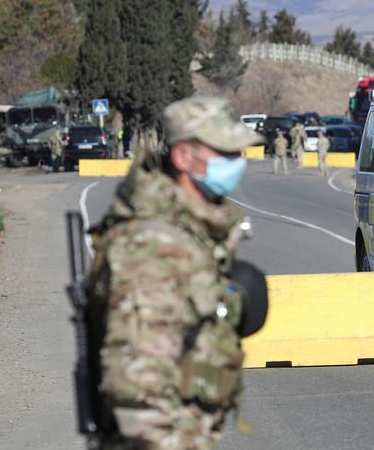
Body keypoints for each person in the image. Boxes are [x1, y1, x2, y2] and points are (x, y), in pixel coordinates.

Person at [86, 96, 258, 450]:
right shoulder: (153, 246)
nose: (235, 163)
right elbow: (140, 390)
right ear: (182, 157)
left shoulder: (190, 230)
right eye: (224, 153)